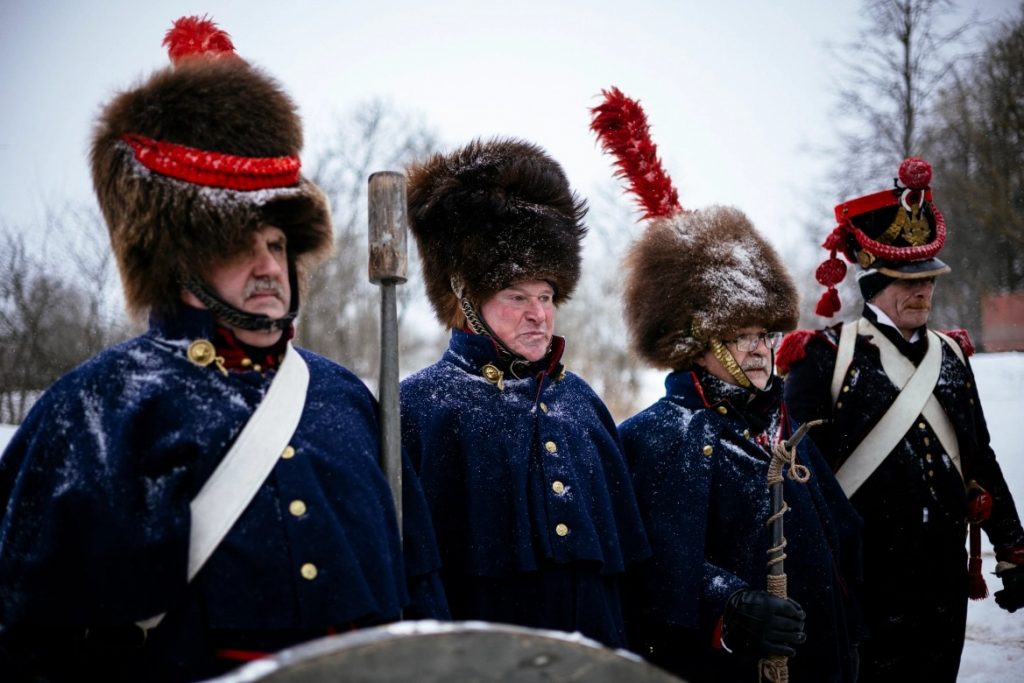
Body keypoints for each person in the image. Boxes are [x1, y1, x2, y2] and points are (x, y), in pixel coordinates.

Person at [0, 16, 446, 682]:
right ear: (180, 260)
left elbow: (419, 589)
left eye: (274, 244)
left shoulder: (344, 396)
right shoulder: (92, 412)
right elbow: (27, 638)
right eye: (236, 246)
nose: (267, 266)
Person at [592, 87, 863, 682]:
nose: (761, 349)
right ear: (698, 346)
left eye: (765, 333)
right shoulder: (659, 437)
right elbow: (653, 573)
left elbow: (843, 546)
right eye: (741, 336)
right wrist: (729, 607)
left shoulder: (786, 428)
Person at [399, 137, 651, 649]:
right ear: (465, 298)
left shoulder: (583, 403)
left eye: (546, 295)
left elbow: (629, 578)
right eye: (517, 296)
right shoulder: (418, 409)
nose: (539, 313)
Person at [779, 157, 1024, 682]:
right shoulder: (824, 357)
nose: (923, 291)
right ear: (872, 286)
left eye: (929, 281)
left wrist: (1012, 547)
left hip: (942, 581)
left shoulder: (953, 356)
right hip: (864, 580)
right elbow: (802, 479)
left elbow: (978, 456)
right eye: (906, 280)